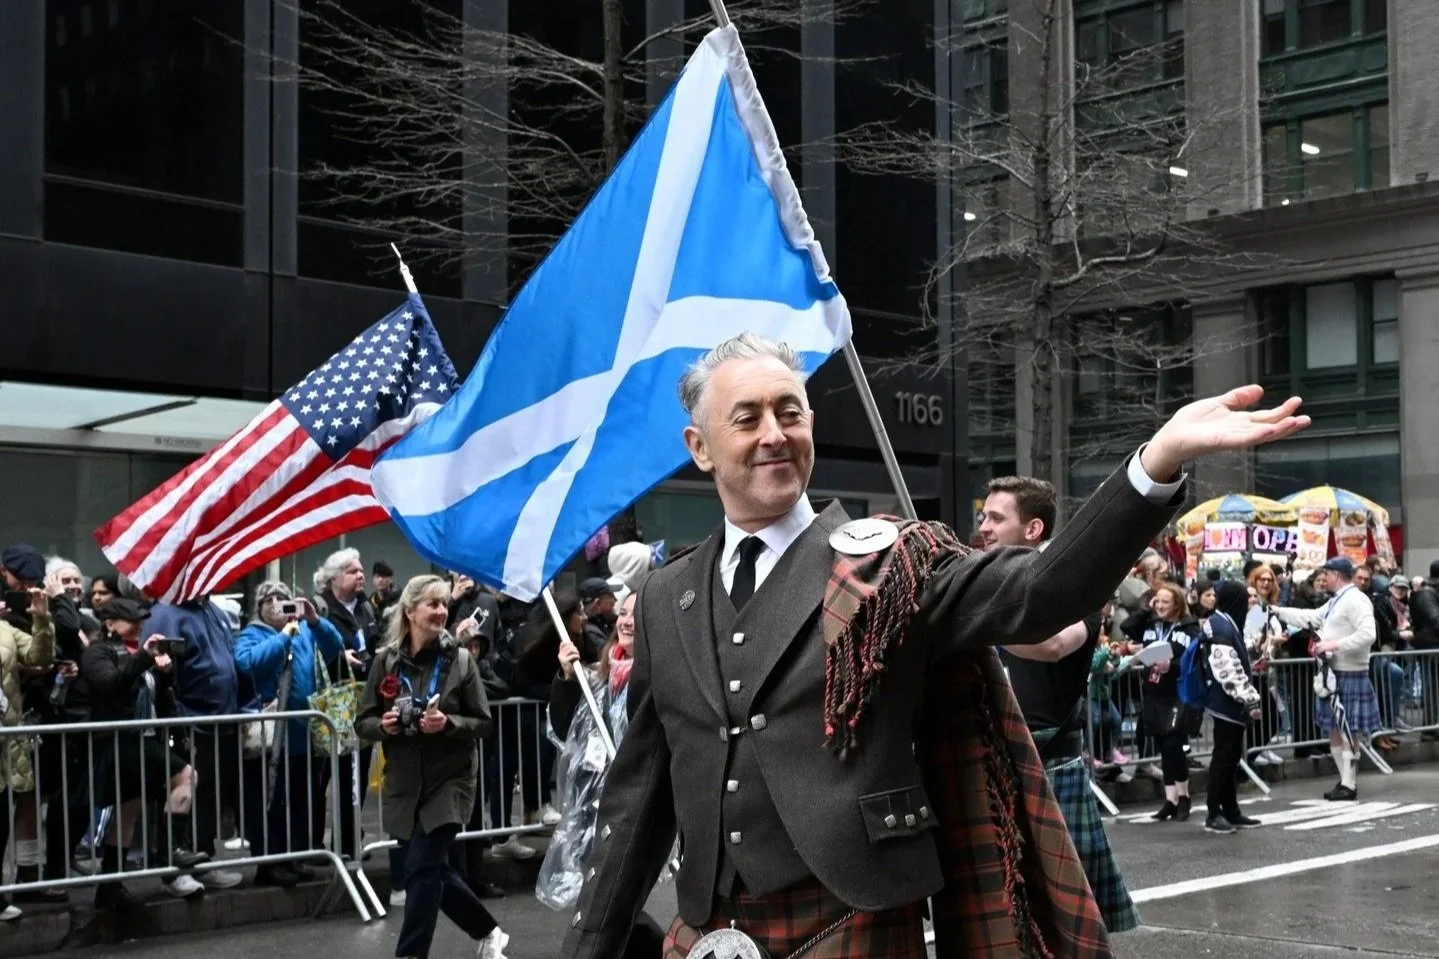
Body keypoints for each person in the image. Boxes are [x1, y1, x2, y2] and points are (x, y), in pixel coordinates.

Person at [557, 332, 1307, 958]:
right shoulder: (665, 594)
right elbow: (637, 798)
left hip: (848, 915)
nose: (773, 433)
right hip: (706, 928)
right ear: (700, 446)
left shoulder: (891, 558)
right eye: (746, 417)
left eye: (789, 411)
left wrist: (1157, 463)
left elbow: (1042, 591)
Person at [982, 476, 1140, 934]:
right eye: (983, 516)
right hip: (994, 762)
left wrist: (978, 619)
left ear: (1032, 529)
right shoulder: (983, 586)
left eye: (996, 517)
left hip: (1049, 765)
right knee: (1000, 916)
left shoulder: (1075, 590)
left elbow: (1051, 644)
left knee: (1062, 920)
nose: (984, 526)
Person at [355, 575, 509, 959]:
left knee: (423, 869)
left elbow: (485, 723)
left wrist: (449, 724)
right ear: (410, 612)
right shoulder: (384, 661)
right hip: (405, 782)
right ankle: (487, 930)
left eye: (444, 604)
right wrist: (384, 726)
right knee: (430, 870)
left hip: (450, 780)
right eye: (433, 604)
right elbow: (363, 721)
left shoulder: (460, 660)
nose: (442, 611)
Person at [539, 588, 670, 957]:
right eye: (624, 613)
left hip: (631, 803)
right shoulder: (599, 675)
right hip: (591, 808)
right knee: (603, 898)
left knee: (609, 899)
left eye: (636, 613)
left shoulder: (659, 673)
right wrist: (566, 678)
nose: (627, 620)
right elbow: (568, 732)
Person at [232, 581, 346, 887]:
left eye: (284, 599)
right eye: (270, 600)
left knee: (298, 799)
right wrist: (283, 636)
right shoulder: (251, 634)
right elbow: (247, 663)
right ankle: (268, 864)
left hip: (301, 734)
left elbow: (335, 646)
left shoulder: (304, 630)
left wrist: (313, 620)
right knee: (268, 801)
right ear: (260, 607)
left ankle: (292, 858)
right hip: (269, 737)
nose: (277, 604)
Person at [1272, 557, 1380, 801]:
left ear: (1336, 575)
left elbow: (1368, 634)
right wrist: (1279, 611)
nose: (1324, 578)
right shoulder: (1337, 601)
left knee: (1348, 730)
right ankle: (1345, 782)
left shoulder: (1356, 600)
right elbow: (1312, 618)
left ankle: (1349, 784)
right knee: (1334, 729)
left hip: (1350, 671)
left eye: (1327, 574)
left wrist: (1335, 644)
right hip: (1332, 672)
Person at [1123, 583, 1203, 822]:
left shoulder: (1189, 629)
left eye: (1164, 602)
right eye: (1156, 601)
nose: (1159, 605)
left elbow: (1195, 662)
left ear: (1177, 604)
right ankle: (1170, 800)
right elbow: (1127, 626)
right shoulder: (1149, 624)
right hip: (1154, 691)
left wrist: (1173, 666)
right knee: (1162, 744)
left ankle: (1184, 795)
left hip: (1178, 692)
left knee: (1172, 743)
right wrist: (1148, 610)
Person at [1200, 582, 1264, 834]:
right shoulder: (1220, 625)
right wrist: (1249, 697)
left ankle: (1230, 809)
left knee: (1231, 757)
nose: (1250, 604)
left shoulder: (1224, 622)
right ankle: (1214, 812)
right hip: (1226, 702)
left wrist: (1254, 648)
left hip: (1229, 702)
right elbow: (1227, 670)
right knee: (1223, 758)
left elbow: (1233, 656)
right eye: (1245, 598)